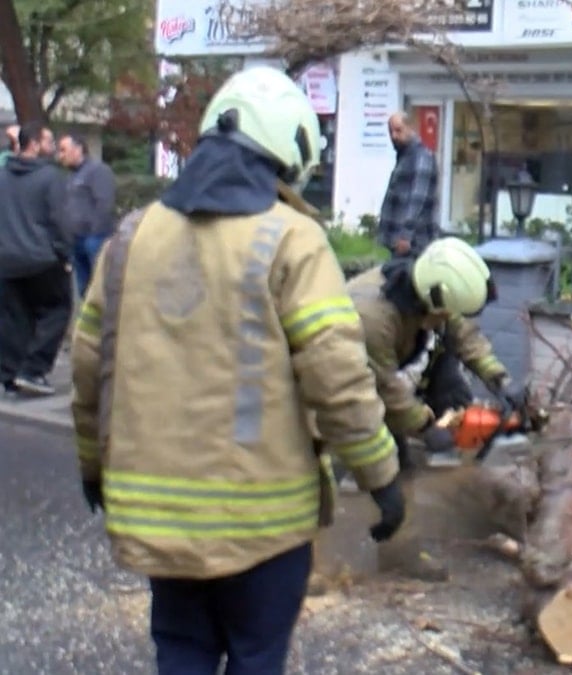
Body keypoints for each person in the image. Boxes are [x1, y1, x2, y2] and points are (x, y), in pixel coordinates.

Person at [69, 66, 407, 675]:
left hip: (156, 519)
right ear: (290, 152)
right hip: (263, 524)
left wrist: (93, 464)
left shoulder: (130, 236)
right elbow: (338, 377)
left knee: (182, 652)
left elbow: (91, 366)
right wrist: (382, 476)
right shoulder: (292, 240)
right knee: (256, 657)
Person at [346, 237, 522, 470]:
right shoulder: (373, 321)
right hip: (346, 384)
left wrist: (499, 379)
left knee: (451, 386)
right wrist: (425, 427)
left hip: (388, 366)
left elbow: (464, 334)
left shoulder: (431, 287)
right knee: (386, 461)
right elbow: (385, 388)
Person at [0, 122, 71, 396]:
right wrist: (63, 252)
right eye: (49, 141)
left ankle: (9, 373)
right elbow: (60, 220)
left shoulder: (3, 176)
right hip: (42, 258)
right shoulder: (51, 177)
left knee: (14, 319)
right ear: (33, 144)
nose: (53, 147)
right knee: (57, 309)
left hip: (7, 259)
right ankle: (32, 369)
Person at [58, 132, 117, 297]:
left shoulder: (98, 171)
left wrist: (94, 233)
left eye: (63, 150)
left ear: (78, 149)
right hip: (76, 239)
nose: (60, 155)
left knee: (99, 288)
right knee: (84, 288)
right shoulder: (70, 176)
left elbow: (105, 204)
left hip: (94, 238)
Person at [377, 111, 439, 259]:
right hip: (401, 241)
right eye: (390, 131)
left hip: (414, 243)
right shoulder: (405, 156)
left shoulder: (421, 157)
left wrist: (406, 235)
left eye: (398, 130)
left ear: (411, 128)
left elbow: (417, 199)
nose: (394, 136)